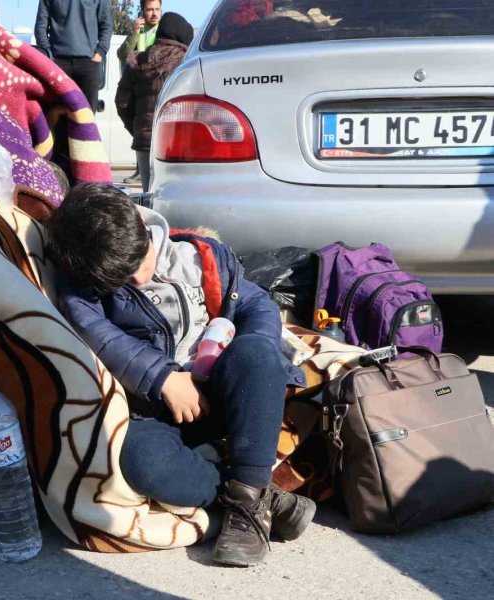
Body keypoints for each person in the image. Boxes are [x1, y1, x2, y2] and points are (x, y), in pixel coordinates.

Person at [46, 183, 316, 567]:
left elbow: (256, 304)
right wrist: (163, 378)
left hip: (225, 389)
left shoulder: (196, 256)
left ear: (143, 227)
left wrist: (254, 340)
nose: (139, 279)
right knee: (140, 460)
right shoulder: (84, 285)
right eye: (123, 278)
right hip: (154, 409)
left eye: (140, 262)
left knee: (257, 351)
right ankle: (254, 496)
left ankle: (245, 507)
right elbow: (99, 336)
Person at [115, 12, 193, 193]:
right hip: (178, 142)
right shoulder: (186, 62)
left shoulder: (137, 61)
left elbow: (122, 102)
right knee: (176, 197)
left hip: (144, 139)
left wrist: (137, 129)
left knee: (148, 194)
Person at [34, 0, 113, 111]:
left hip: (88, 65)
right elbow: (40, 28)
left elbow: (107, 26)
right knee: (57, 120)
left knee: (87, 120)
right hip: (58, 64)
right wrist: (48, 56)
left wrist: (100, 52)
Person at [117, 0, 162, 66]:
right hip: (138, 74)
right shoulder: (137, 31)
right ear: (142, 12)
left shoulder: (165, 30)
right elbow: (122, 56)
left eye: (157, 9)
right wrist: (134, 34)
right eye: (150, 10)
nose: (154, 14)